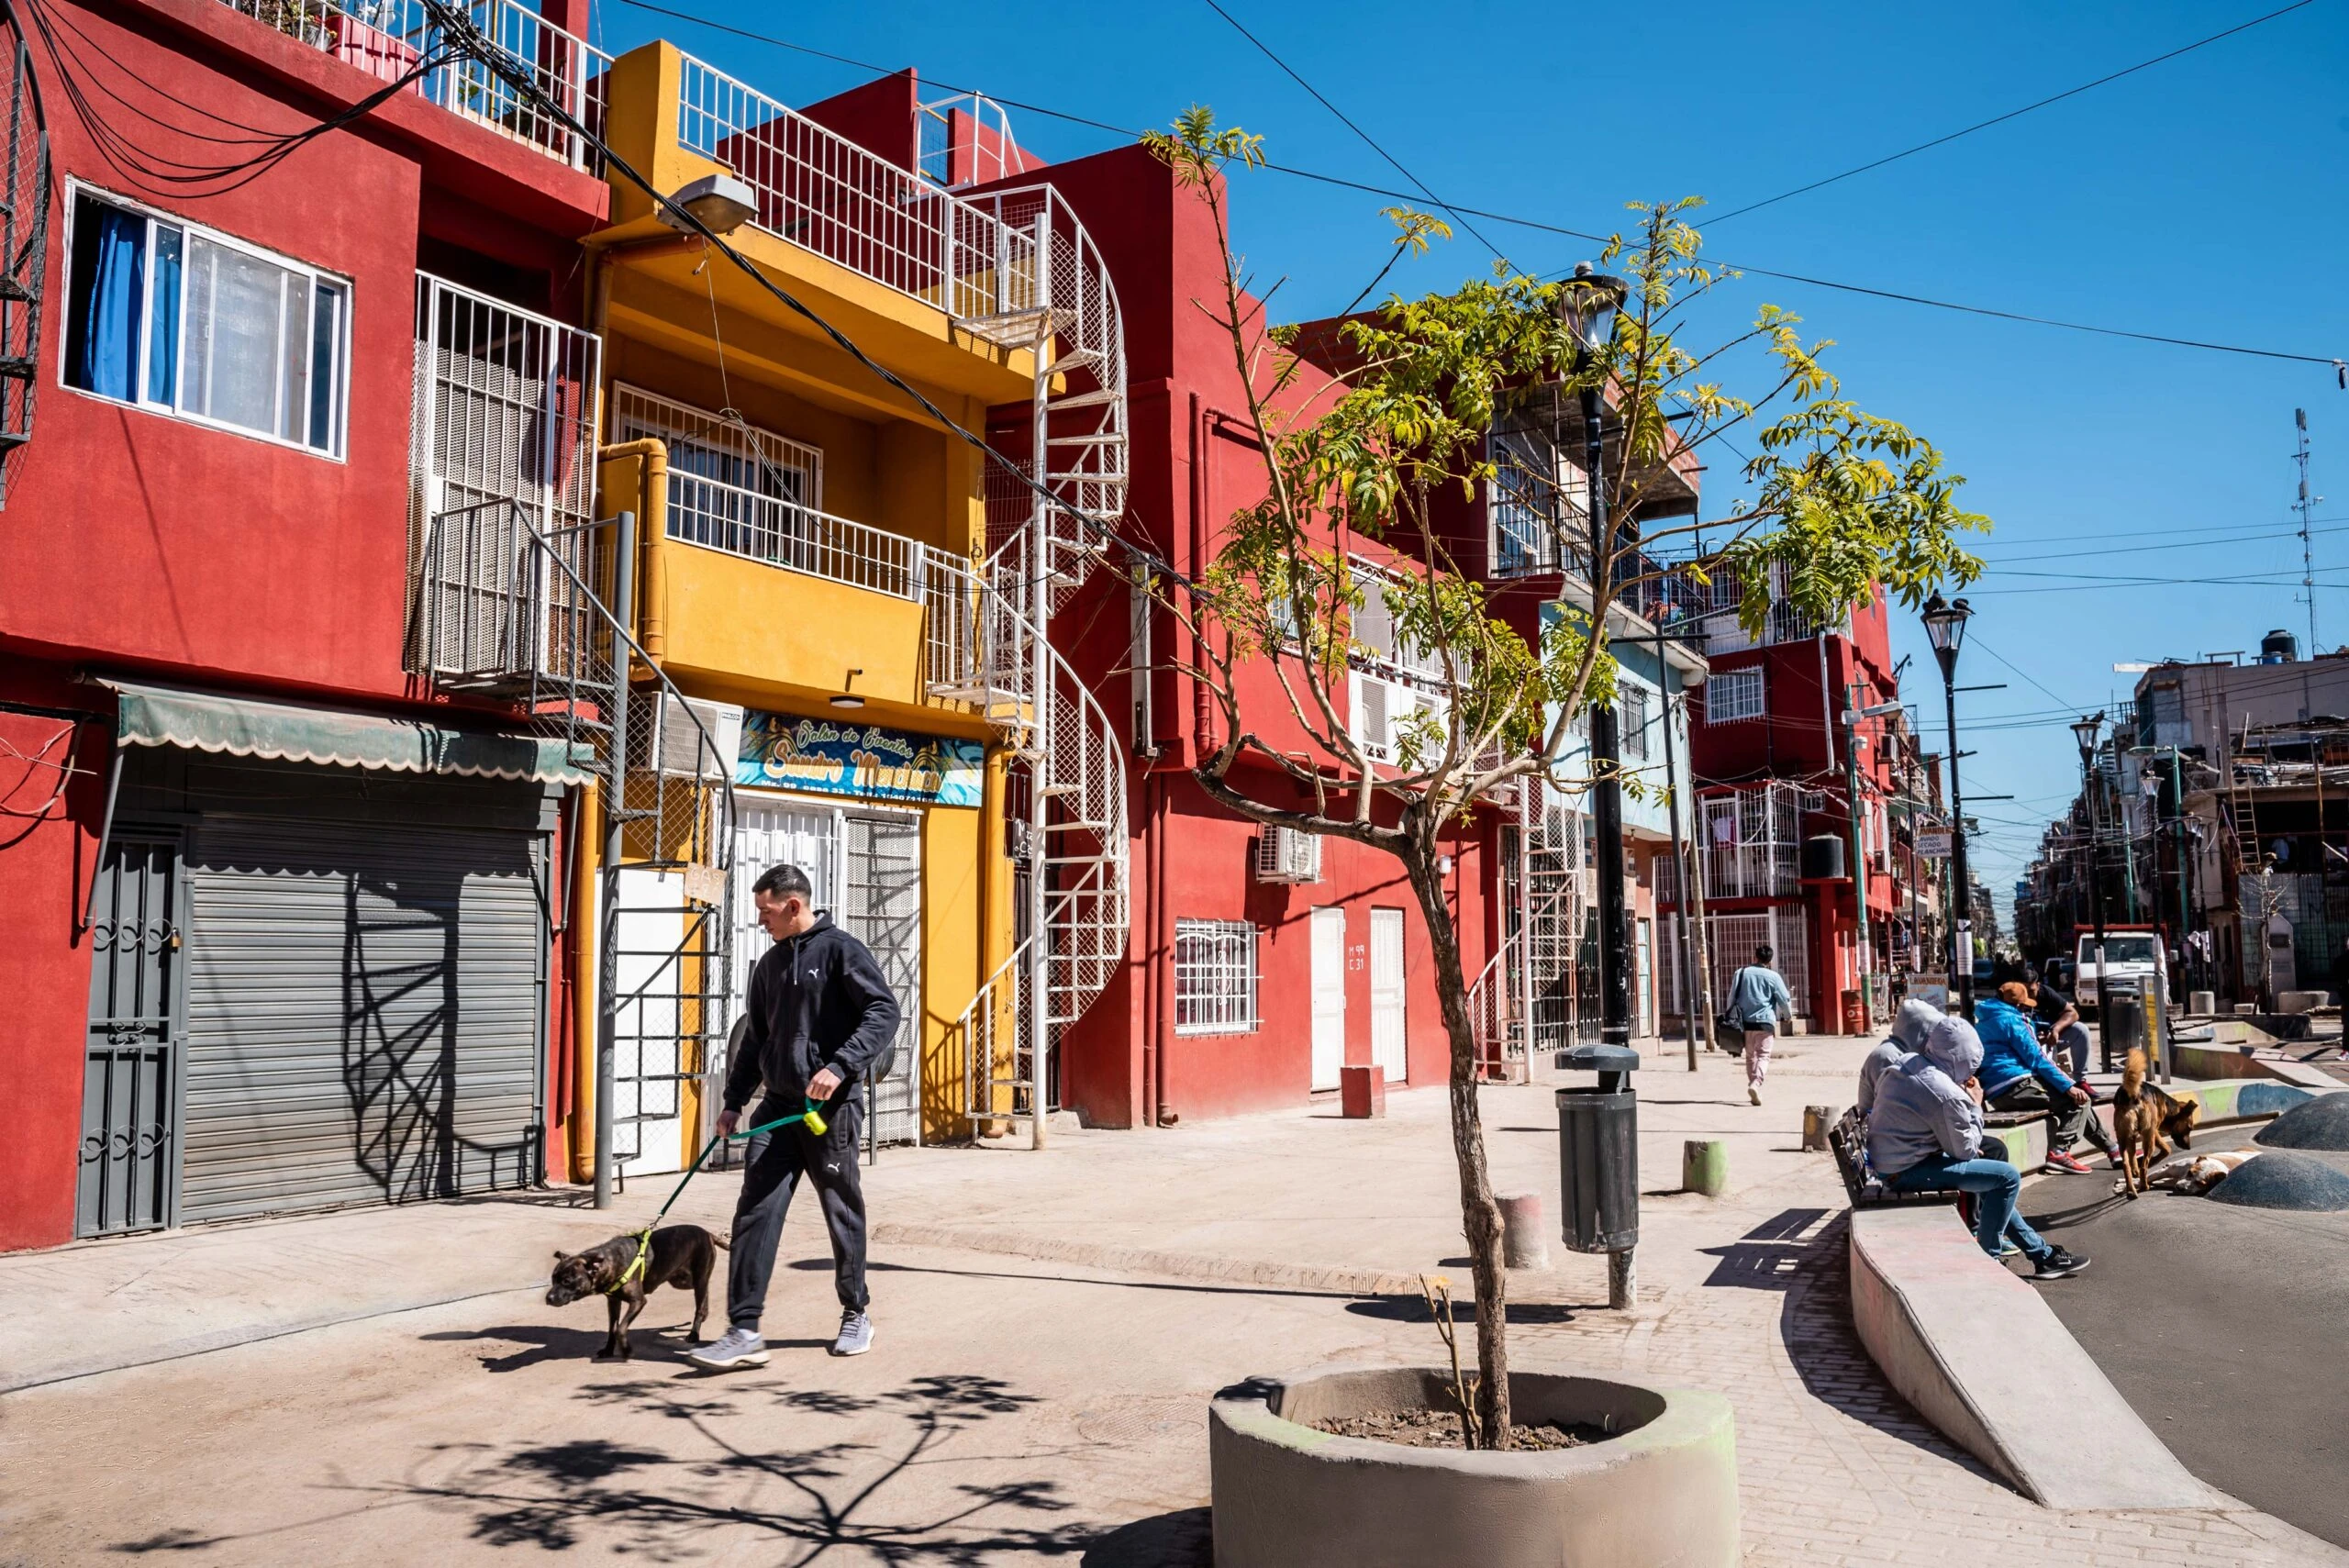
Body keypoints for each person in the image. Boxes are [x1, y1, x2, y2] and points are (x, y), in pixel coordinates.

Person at [686, 863, 901, 1371]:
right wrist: (734, 1100)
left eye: (766, 912)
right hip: (778, 1107)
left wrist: (839, 1066)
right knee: (754, 1211)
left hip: (830, 1112)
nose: (762, 921)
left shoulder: (842, 951)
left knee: (840, 1210)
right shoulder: (769, 965)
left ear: (793, 906)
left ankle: (855, 1313)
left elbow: (883, 1012)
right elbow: (756, 1038)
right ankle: (743, 1330)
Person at [1868, 1013, 2089, 1279]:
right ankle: (1990, 1262)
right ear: (1961, 1059)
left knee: (1994, 1164)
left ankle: (2040, 1255)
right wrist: (1974, 1102)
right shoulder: (1944, 1092)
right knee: (2006, 1178)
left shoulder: (1909, 1062)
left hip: (1893, 1160)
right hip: (1905, 1172)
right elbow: (1965, 1151)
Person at [1976, 981, 2119, 1175]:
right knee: (2078, 1101)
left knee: (2077, 1100)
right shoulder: (2015, 1021)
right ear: (2018, 1005)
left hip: (1996, 1094)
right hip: (2017, 1084)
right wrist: (2069, 1086)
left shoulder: (1983, 1022)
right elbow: (2038, 1059)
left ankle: (2112, 1150)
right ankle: (2060, 1152)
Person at [1726, 944, 1795, 1106]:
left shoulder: (1741, 973)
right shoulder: (1773, 977)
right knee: (1763, 1055)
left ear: (1754, 957)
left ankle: (1753, 1087)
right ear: (1769, 961)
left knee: (1750, 1056)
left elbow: (1732, 997)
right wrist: (1788, 1016)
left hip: (1745, 1023)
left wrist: (1730, 1016)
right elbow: (1784, 1000)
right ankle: (1756, 1084)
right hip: (1765, 1023)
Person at [1859, 996, 1943, 1118]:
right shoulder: (1888, 1057)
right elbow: (1904, 1102)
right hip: (1884, 1129)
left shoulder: (1902, 1050)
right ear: (1918, 1031)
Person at [2030, 971, 2091, 1084]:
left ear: (2038, 985)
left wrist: (2056, 1029)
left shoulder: (2046, 993)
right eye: (2023, 991)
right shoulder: (2013, 1000)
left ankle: (2080, 1081)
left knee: (2081, 1030)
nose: (2027, 995)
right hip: (2026, 1044)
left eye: (2031, 991)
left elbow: (2073, 1013)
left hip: (2048, 1040)